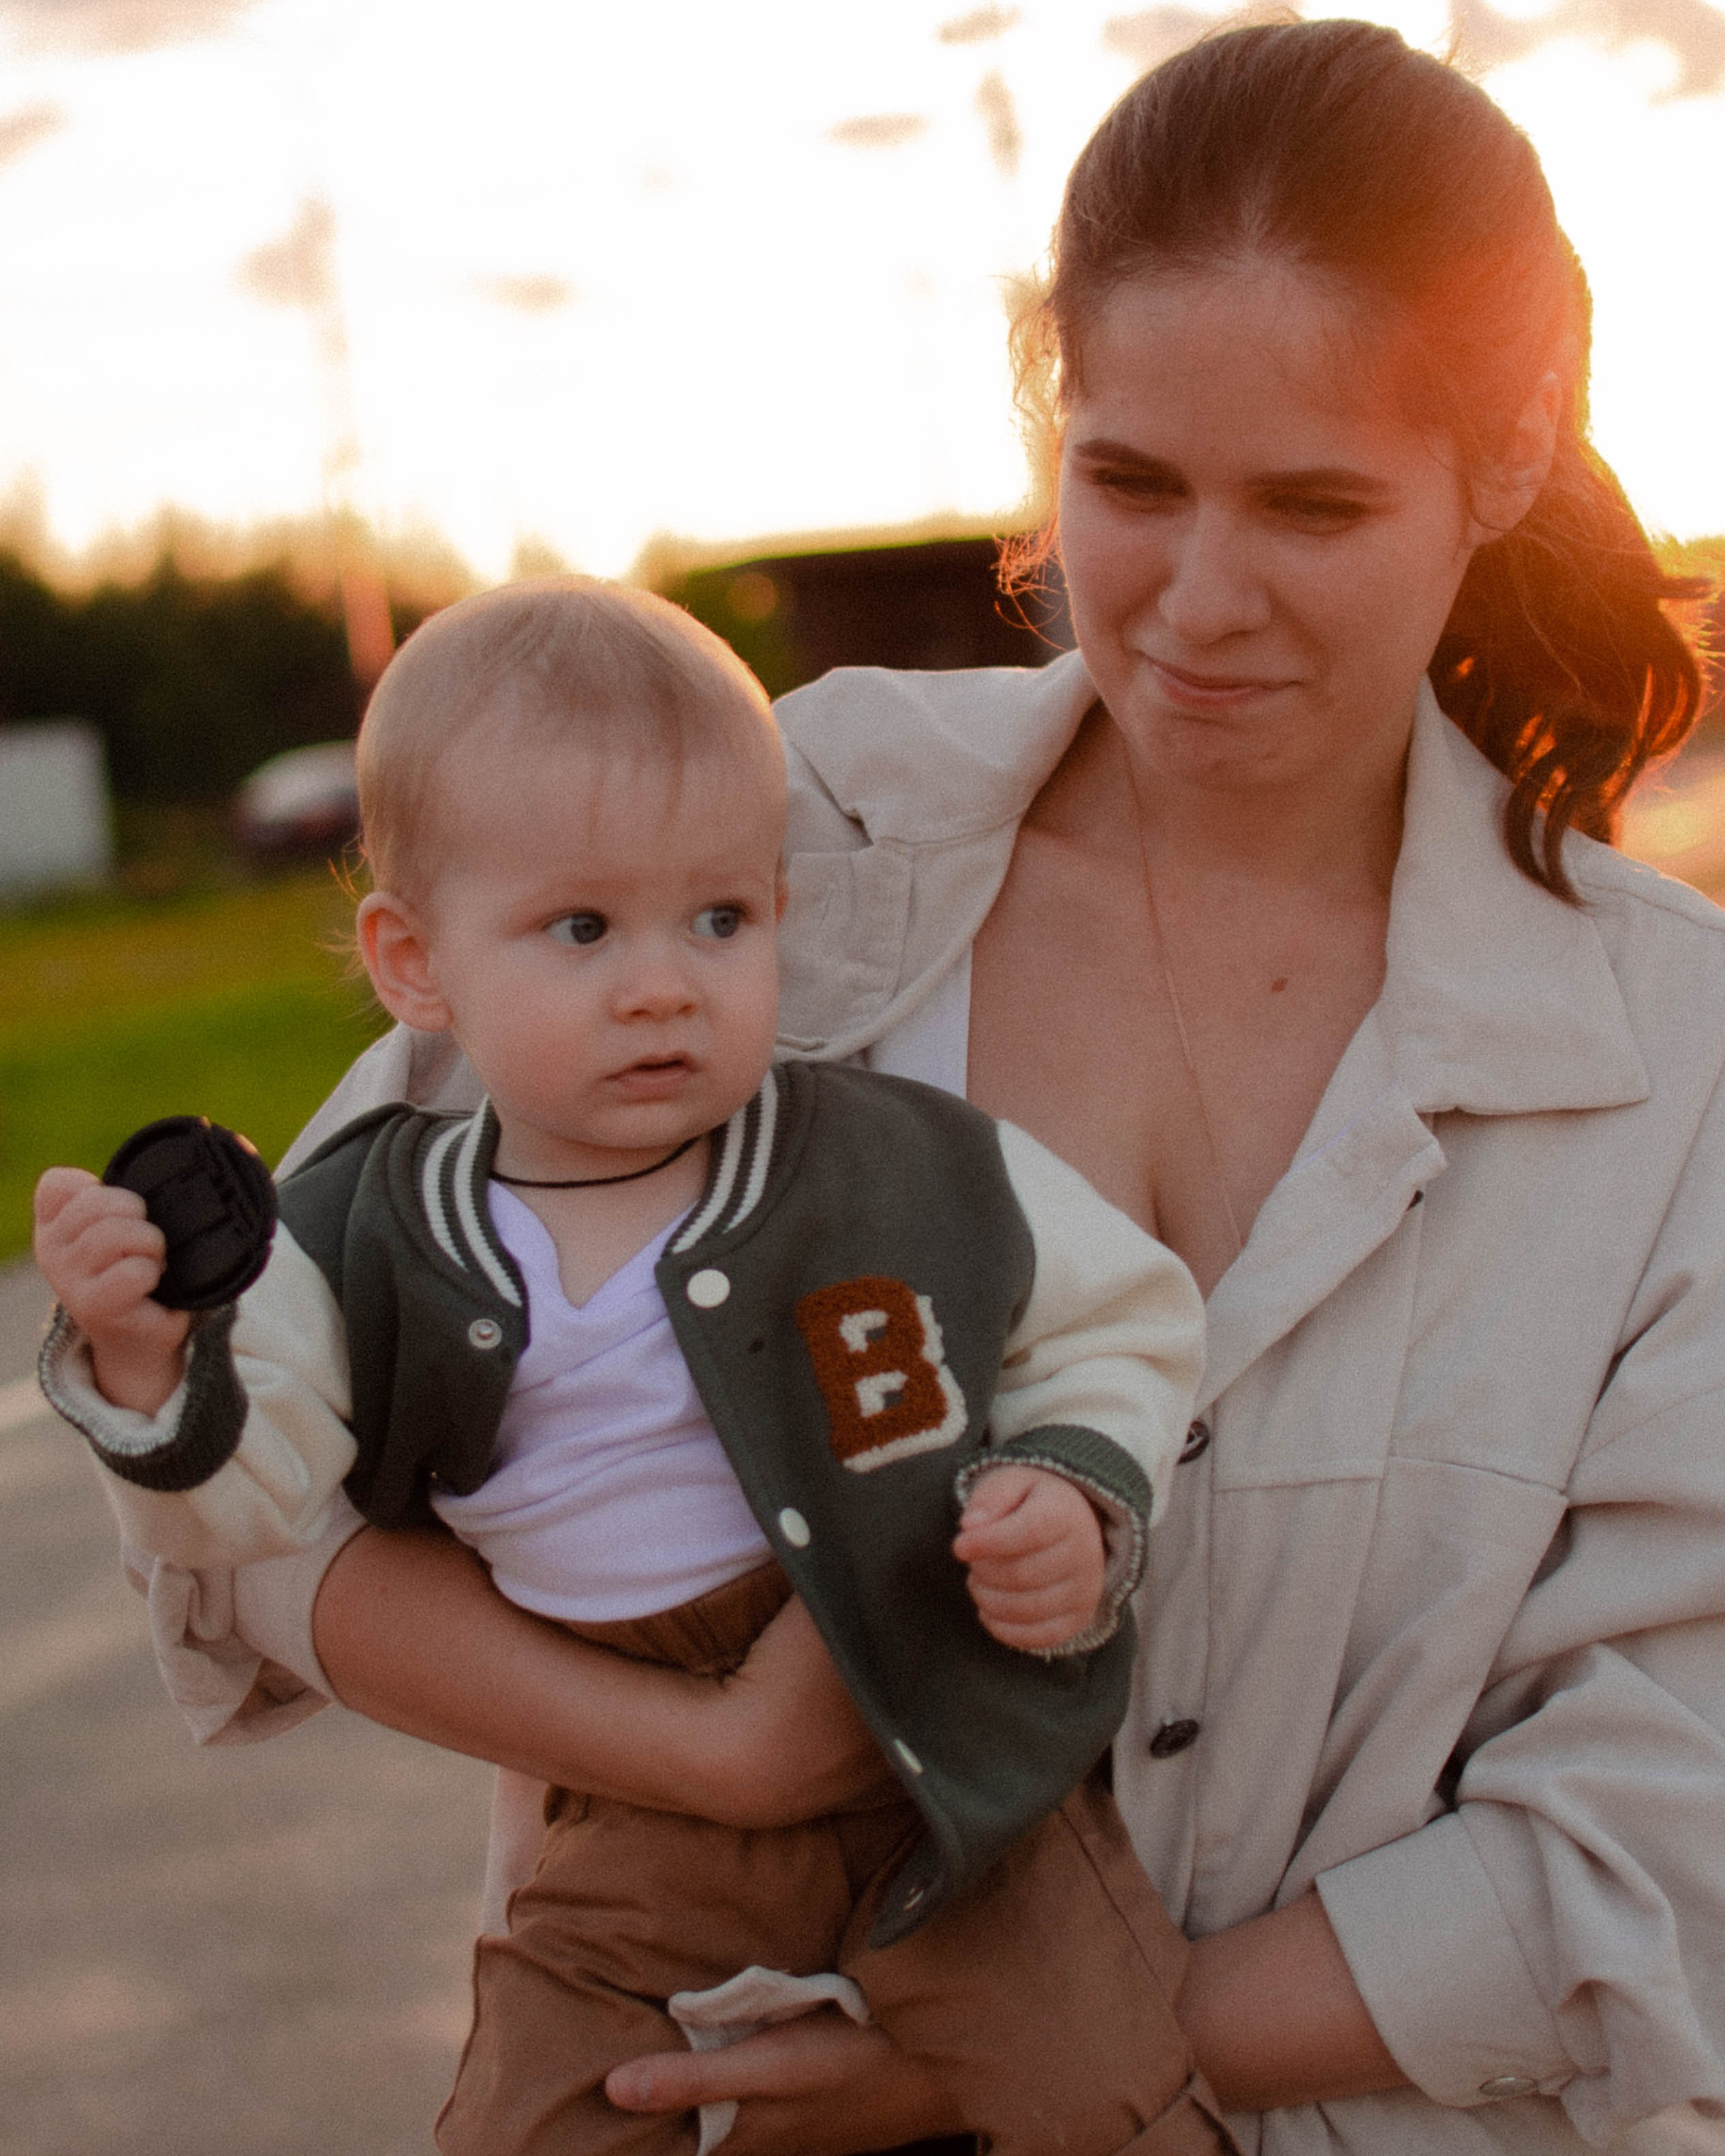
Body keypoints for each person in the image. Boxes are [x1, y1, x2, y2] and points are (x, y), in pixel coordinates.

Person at [75, 16, 1724, 2153]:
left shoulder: (1668, 1060)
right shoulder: (779, 841)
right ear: (1048, 416)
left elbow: (1664, 1820)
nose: (1198, 600)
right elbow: (247, 1479)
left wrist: (1060, 2034)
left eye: (1311, 502)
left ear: (1504, 461)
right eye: (1131, 481)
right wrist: (722, 1761)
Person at [33, 579, 1223, 2155]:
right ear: (415, 961)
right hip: (632, 1804)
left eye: (719, 917)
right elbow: (257, 1494)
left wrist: (1073, 1489)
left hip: (944, 1750)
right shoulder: (364, 1234)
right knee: (534, 2119)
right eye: (583, 927)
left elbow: (1116, 1319)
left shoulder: (899, 1168)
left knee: (1110, 2081)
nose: (665, 981)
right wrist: (145, 1357)